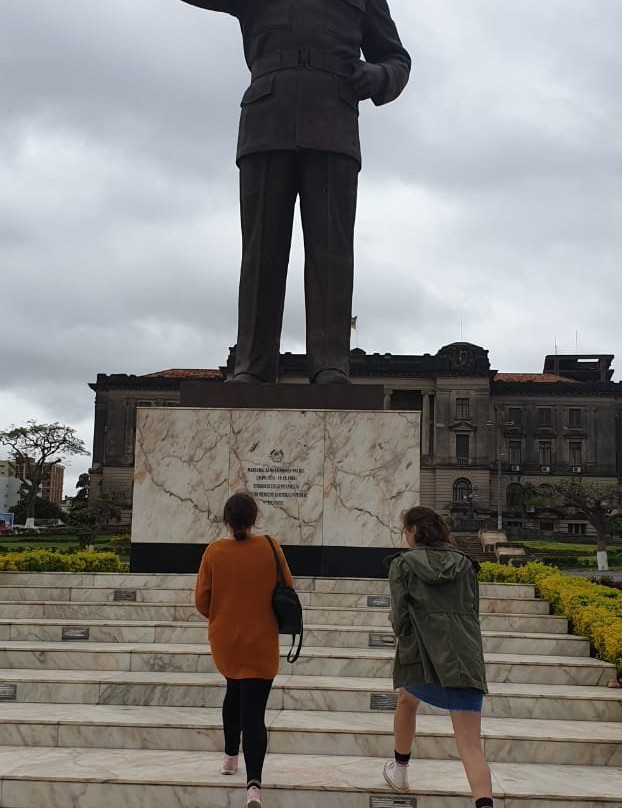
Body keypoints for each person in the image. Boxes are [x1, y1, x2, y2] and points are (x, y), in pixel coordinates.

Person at [177, 0, 411, 384]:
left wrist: (379, 75)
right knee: (261, 252)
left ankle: (330, 363)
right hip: (267, 119)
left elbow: (396, 59)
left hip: (333, 121)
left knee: (332, 253)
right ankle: (252, 365)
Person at [384, 506, 493, 808]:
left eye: (405, 530)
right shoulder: (466, 564)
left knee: (406, 699)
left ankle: (400, 770)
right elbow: (472, 612)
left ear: (414, 531)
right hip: (464, 659)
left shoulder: (403, 564)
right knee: (470, 746)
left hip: (422, 655)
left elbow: (399, 619)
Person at [195, 491, 295, 808]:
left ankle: (229, 758)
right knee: (254, 712)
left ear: (226, 520)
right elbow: (288, 586)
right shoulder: (270, 546)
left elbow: (201, 601)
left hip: (227, 640)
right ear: (254, 519)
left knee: (233, 690)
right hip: (260, 640)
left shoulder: (214, 552)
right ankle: (253, 786)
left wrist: (225, 613)